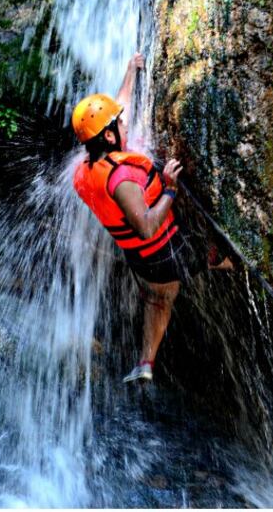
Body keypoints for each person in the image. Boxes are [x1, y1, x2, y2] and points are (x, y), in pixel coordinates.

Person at [71, 53, 228, 384]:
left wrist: (130, 72)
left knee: (159, 299)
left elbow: (115, 110)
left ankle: (146, 363)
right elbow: (145, 227)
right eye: (120, 125)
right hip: (167, 251)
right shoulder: (122, 178)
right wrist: (169, 189)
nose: (124, 123)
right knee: (219, 257)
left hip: (141, 261)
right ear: (111, 137)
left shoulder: (85, 170)